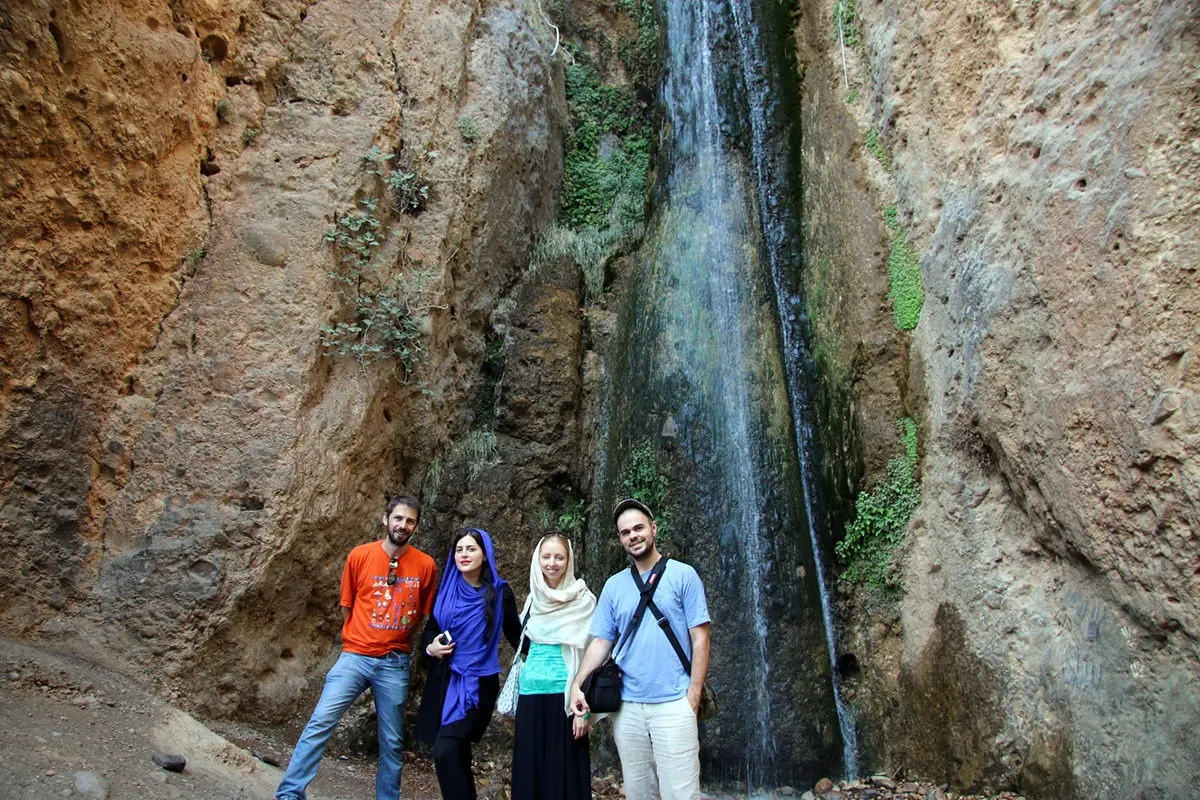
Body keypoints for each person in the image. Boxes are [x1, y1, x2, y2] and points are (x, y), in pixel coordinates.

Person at [276, 496, 437, 800]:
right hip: (355, 657)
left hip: (395, 661)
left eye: (410, 521)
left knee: (391, 741)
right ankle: (289, 793)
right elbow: (347, 607)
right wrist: (359, 638)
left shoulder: (425, 565)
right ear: (386, 519)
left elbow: (423, 613)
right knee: (321, 721)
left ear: (416, 525)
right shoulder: (360, 556)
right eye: (398, 518)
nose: (403, 525)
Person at [570, 499, 711, 800]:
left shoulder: (684, 576)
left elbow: (700, 638)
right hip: (627, 707)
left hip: (675, 703)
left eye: (638, 528)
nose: (632, 535)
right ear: (621, 539)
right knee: (638, 792)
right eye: (625, 532)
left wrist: (693, 697)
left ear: (653, 529)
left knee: (682, 793)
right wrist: (577, 685)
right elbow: (601, 642)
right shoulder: (614, 586)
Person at [415, 528, 520, 799]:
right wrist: (431, 647)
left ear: (485, 555)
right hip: (445, 682)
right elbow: (431, 630)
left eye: (471, 549)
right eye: (459, 550)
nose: (464, 554)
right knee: (457, 753)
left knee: (445, 750)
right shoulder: (446, 590)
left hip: (478, 684)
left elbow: (516, 636)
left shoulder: (499, 593)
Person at [511, 532, 597, 800]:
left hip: (566, 699)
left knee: (565, 777)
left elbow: (591, 659)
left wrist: (584, 713)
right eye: (546, 557)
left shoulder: (584, 601)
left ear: (569, 561)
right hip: (530, 694)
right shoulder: (532, 600)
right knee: (530, 774)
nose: (552, 563)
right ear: (537, 560)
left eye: (559, 557)